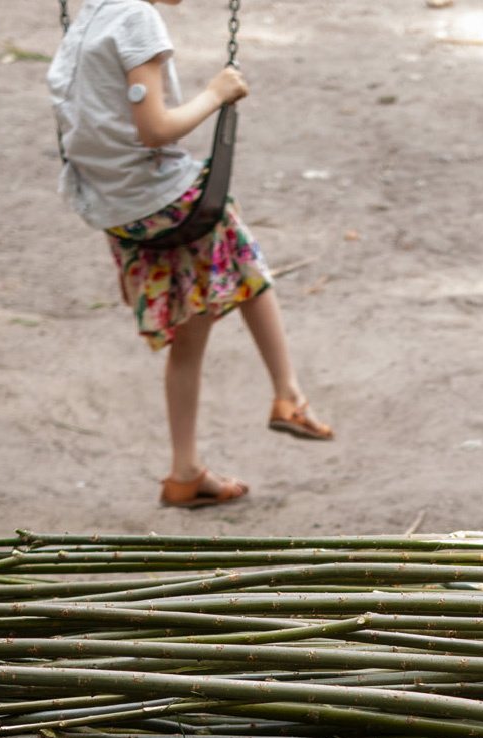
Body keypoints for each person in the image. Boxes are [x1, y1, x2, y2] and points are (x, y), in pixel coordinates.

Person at [48, 0, 333, 509]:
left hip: (115, 208)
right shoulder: (137, 17)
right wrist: (217, 93)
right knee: (245, 261)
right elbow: (155, 129)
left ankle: (185, 473)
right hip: (162, 200)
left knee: (190, 324)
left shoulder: (92, 14)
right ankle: (289, 393)